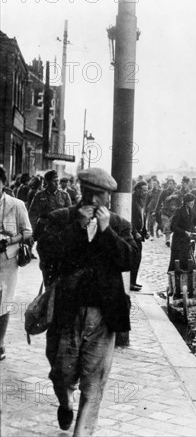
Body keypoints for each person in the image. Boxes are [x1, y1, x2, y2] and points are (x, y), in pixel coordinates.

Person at [37, 167, 136, 434]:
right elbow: (46, 251)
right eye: (90, 194)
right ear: (81, 191)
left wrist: (107, 233)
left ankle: (82, 433)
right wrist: (77, 227)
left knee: (94, 382)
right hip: (67, 310)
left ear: (108, 197)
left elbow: (129, 260)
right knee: (62, 373)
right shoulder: (61, 218)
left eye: (101, 196)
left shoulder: (118, 225)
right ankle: (65, 402)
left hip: (103, 315)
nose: (94, 202)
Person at [0, 167, 33, 361]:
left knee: (3, 302)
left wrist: (9, 240)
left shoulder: (16, 205)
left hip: (7, 261)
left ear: (4, 183)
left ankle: (0, 343)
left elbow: (28, 232)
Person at [28, 170, 72, 241]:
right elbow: (32, 214)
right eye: (54, 181)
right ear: (47, 182)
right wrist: (31, 231)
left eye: (57, 181)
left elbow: (70, 214)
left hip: (59, 229)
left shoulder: (64, 195)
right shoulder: (39, 195)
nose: (57, 183)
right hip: (43, 229)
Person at [168, 193, 196, 273]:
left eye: (193, 201)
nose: (192, 203)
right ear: (186, 202)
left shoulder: (191, 211)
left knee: (188, 260)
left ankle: (187, 280)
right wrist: (184, 232)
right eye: (191, 202)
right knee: (178, 262)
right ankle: (176, 280)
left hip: (187, 240)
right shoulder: (179, 212)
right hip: (178, 241)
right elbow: (173, 227)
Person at [130, 180, 148, 291]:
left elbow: (142, 217)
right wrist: (135, 231)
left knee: (137, 259)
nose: (145, 192)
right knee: (134, 258)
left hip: (139, 235)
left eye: (146, 190)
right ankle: (130, 283)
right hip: (133, 235)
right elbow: (130, 218)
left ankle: (133, 281)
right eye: (143, 190)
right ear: (137, 189)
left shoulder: (141, 200)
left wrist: (145, 232)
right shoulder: (131, 200)